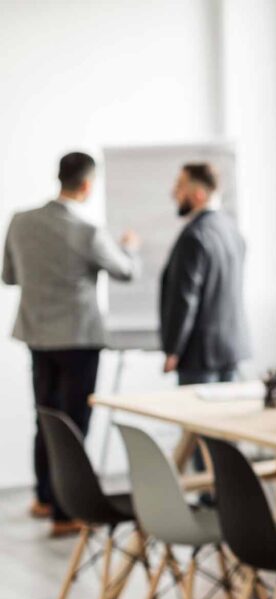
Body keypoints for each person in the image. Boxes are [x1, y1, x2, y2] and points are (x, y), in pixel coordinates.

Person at [2, 152, 140, 537]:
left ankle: (45, 498)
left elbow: (8, 276)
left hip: (37, 335)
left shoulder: (20, 221)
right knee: (74, 425)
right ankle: (66, 513)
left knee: (45, 418)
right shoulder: (88, 231)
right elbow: (126, 272)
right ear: (87, 185)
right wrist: (129, 247)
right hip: (78, 339)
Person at [160, 162, 250, 386]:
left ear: (199, 194)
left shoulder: (195, 235)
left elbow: (184, 298)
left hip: (199, 354)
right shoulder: (232, 230)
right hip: (231, 349)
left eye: (180, 186)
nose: (174, 193)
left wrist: (173, 349)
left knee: (194, 409)